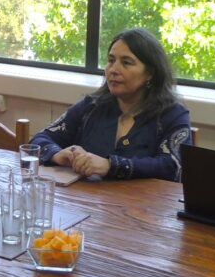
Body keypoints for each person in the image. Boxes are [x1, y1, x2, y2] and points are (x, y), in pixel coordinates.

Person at [31, 28, 191, 181]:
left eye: (126, 62)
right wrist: (58, 154)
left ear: (150, 73)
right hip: (88, 198)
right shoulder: (91, 107)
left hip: (145, 200)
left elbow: (173, 166)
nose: (113, 70)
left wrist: (111, 165)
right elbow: (40, 139)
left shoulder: (173, 115)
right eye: (111, 60)